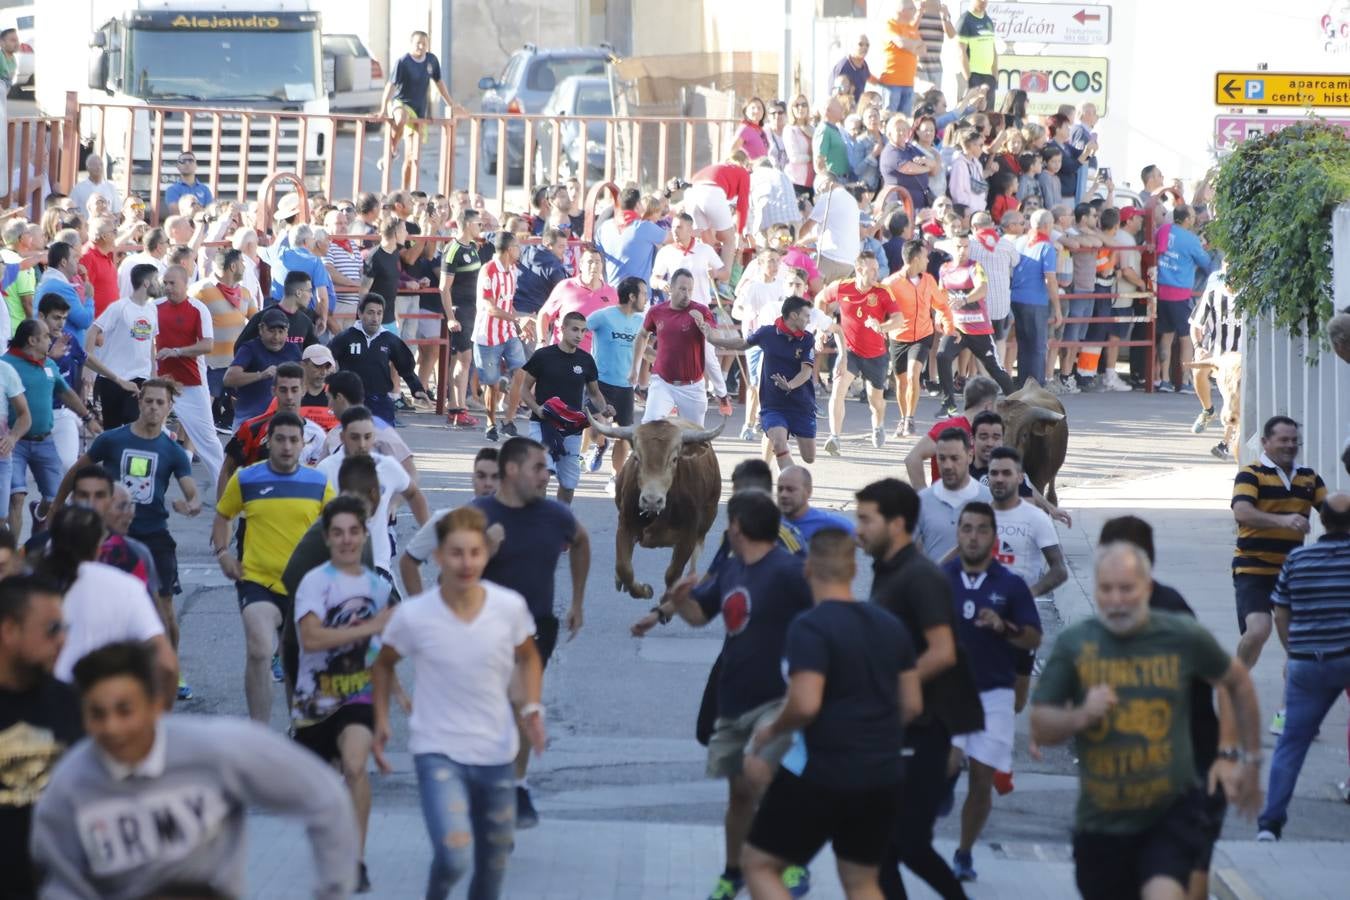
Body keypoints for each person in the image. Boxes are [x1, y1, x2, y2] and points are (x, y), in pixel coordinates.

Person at [31, 641, 358, 899]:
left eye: (125, 710)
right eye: (97, 714)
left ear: (156, 704)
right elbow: (62, 884)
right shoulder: (70, 787)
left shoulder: (216, 749)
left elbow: (325, 797)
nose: (112, 728)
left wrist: (332, 889)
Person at [1030, 543, 1264, 900]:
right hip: (1103, 819)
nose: (1117, 600)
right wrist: (1081, 715)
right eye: (1107, 589)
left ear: (1146, 589)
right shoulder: (1076, 643)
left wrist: (1244, 759)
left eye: (1127, 589)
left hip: (1171, 811)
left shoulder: (1181, 636)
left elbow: (1236, 680)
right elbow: (1040, 726)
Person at [372, 506, 544, 900]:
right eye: (456, 553)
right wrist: (382, 720)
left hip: (496, 753)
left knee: (494, 863)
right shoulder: (414, 615)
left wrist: (532, 708)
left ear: (485, 554)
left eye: (474, 553)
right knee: (453, 856)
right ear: (438, 556)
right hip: (438, 751)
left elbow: (529, 655)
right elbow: (382, 665)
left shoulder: (508, 608)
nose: (466, 563)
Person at [742, 528, 921, 900]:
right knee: (861, 882)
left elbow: (806, 703)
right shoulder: (891, 627)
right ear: (854, 570)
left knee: (759, 863)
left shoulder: (810, 627)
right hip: (884, 774)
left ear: (808, 568)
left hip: (825, 772)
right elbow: (913, 705)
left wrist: (772, 728)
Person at [661, 491, 815, 900]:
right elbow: (701, 617)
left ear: (737, 527)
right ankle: (734, 873)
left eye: (729, 523)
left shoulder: (788, 571)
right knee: (740, 793)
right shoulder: (731, 570)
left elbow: (823, 616)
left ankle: (792, 861)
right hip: (734, 698)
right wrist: (680, 603)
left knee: (762, 777)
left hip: (777, 700)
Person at [857, 478, 982, 900]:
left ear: (895, 525)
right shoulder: (889, 571)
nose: (857, 529)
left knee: (906, 842)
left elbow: (943, 652)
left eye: (865, 520)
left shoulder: (919, 576)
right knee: (881, 848)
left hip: (927, 730)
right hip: (900, 729)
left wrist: (888, 690)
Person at [470, 437, 590, 828]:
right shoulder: (477, 515)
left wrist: (577, 600)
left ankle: (516, 786)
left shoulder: (555, 516)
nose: (546, 475)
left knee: (521, 709)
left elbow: (582, 540)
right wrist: (484, 550)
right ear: (511, 471)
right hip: (483, 632)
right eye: (538, 467)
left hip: (537, 629)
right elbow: (447, 581)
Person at [54, 378, 200, 659]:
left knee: (164, 608)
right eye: (149, 401)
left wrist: (192, 504)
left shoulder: (173, 451)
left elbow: (190, 489)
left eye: (160, 403)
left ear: (169, 407)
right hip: (111, 535)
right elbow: (76, 472)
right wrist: (57, 508)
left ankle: (169, 669)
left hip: (154, 534)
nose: (154, 408)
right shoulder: (112, 439)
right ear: (139, 402)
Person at [293, 495, 393, 893]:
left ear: (365, 535)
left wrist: (392, 701)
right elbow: (312, 638)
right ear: (328, 537)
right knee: (319, 792)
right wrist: (369, 628)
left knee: (354, 767)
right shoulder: (315, 583)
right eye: (339, 532)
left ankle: (356, 860)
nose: (347, 540)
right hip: (314, 700)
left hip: (359, 696)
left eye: (354, 531)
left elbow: (387, 651)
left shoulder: (379, 587)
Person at [212, 412, 335, 723]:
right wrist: (224, 552)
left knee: (297, 661)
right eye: (280, 439)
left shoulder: (319, 482)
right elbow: (224, 515)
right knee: (259, 650)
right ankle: (259, 734)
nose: (287, 446)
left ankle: (302, 730)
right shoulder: (246, 478)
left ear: (303, 443)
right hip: (257, 580)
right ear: (269, 441)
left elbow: (339, 527)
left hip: (304, 587)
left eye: (294, 440)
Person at [943, 502, 1041, 882]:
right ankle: (942, 785)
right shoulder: (941, 578)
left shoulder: (1011, 585)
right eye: (966, 528)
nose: (972, 536)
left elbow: (1034, 637)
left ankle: (964, 853)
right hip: (949, 692)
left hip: (994, 693)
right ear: (958, 533)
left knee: (982, 780)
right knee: (947, 764)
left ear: (993, 537)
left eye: (981, 529)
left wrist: (1005, 628)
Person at [1256, 493, 1350, 840]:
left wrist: (1292, 649)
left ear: (1322, 520)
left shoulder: (1298, 558)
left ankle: (1269, 823)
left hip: (1307, 662)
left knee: (1292, 743)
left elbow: (1281, 612)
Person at [1232, 415, 1326, 734]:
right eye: (1282, 440)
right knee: (1257, 631)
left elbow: (1334, 513)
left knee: (1298, 645)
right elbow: (1242, 511)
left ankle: (1287, 712)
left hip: (1293, 573)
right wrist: (1284, 521)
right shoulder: (1251, 473)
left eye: (1293, 440)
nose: (1289, 445)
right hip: (1253, 567)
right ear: (1266, 443)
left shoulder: (1309, 477)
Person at [36, 505, 178, 700]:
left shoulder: (31, 588)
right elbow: (166, 663)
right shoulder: (127, 586)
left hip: (49, 702)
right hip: (113, 702)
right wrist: (159, 711)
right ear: (98, 547)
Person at [0, 575, 83, 898]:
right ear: (9, 631)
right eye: (51, 630)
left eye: (65, 628)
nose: (63, 640)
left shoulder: (72, 704)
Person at [4, 318, 101, 540]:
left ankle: (39, 514)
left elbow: (65, 392)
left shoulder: (48, 365)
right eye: (46, 335)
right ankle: (15, 555)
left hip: (44, 441)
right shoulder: (6, 365)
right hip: (14, 442)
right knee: (16, 497)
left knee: (54, 499)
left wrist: (88, 417)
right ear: (32, 340)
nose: (51, 338)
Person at [704, 296, 818, 469]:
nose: (809, 320)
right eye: (806, 316)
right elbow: (742, 343)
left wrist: (790, 385)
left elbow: (806, 372)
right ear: (794, 316)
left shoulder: (807, 339)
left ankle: (786, 453)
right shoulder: (767, 333)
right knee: (779, 442)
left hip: (801, 405)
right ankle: (789, 479)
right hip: (773, 405)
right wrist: (714, 340)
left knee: (809, 457)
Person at [316, 405, 431, 576]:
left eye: (367, 437)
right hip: (335, 564)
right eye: (354, 437)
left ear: (374, 437)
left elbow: (413, 493)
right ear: (342, 437)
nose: (362, 444)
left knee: (394, 602)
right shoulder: (325, 470)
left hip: (378, 565)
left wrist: (427, 535)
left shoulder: (387, 466)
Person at [818, 253, 904, 454]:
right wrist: (822, 325)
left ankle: (878, 426)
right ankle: (835, 438)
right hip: (849, 352)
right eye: (872, 269)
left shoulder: (883, 291)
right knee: (838, 391)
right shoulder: (841, 287)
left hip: (876, 355)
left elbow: (898, 320)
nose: (877, 273)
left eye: (877, 268)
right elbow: (820, 299)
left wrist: (881, 326)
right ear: (859, 269)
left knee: (876, 402)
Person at [153, 265, 224, 491]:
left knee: (209, 441)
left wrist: (176, 351)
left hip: (191, 384)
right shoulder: (153, 308)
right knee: (148, 430)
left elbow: (208, 344)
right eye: (165, 283)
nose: (168, 287)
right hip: (160, 383)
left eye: (172, 283)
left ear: (185, 284)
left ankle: (225, 490)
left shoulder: (198, 308)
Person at [397, 447, 500, 594]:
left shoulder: (518, 522)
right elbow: (408, 562)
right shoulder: (447, 519)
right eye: (481, 476)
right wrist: (420, 609)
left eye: (495, 477)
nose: (488, 483)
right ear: (472, 478)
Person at [936, 233, 1014, 415]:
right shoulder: (945, 269)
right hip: (956, 328)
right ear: (951, 249)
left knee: (995, 368)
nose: (962, 251)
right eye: (958, 247)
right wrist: (939, 315)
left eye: (965, 246)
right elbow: (941, 296)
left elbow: (982, 289)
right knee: (942, 356)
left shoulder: (975, 267)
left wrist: (964, 299)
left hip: (979, 329)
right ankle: (948, 403)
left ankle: (1015, 401)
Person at [379, 30, 467, 189]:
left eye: (424, 44)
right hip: (401, 103)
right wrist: (383, 108)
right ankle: (392, 148)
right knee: (401, 118)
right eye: (418, 43)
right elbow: (391, 86)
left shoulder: (432, 61)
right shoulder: (403, 62)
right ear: (411, 44)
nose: (421, 46)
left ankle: (406, 190)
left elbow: (439, 83)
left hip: (419, 109)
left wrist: (451, 104)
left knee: (413, 156)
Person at [585, 276, 649, 492]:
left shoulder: (641, 321)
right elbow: (580, 328)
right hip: (600, 382)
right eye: (643, 294)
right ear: (632, 297)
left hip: (625, 387)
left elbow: (643, 345)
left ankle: (615, 478)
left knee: (623, 435)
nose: (646, 298)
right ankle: (600, 445)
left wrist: (641, 368)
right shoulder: (603, 316)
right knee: (597, 428)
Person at [329, 293, 430, 425]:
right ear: (360, 313)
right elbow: (326, 360)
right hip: (350, 401)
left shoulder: (390, 340)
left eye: (379, 313)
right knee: (354, 441)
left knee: (385, 442)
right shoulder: (345, 338)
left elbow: (406, 367)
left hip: (380, 401)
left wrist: (417, 389)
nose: (375, 318)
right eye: (370, 313)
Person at [882, 240, 950, 435]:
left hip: (922, 334)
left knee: (913, 375)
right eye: (925, 256)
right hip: (898, 337)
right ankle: (904, 418)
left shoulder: (929, 280)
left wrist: (946, 322)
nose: (928, 260)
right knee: (901, 382)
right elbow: (881, 310)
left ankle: (910, 418)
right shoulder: (891, 283)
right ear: (915, 259)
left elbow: (940, 304)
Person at [642, 269, 720, 425]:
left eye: (690, 290)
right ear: (671, 288)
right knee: (650, 426)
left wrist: (704, 327)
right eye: (682, 289)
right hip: (662, 382)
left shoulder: (701, 310)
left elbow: (715, 338)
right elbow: (642, 336)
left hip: (692, 385)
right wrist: (640, 364)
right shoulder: (656, 311)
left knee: (694, 441)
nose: (687, 294)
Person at [88, 263, 161, 429]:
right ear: (146, 283)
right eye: (156, 279)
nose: (159, 283)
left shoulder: (152, 309)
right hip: (113, 377)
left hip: (139, 378)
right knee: (111, 429)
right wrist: (88, 365)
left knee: (134, 422)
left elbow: (150, 342)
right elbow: (93, 331)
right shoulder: (119, 307)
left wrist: (153, 373)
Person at [473, 231, 531, 442]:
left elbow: (507, 303)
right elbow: (490, 308)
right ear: (509, 249)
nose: (520, 249)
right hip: (487, 335)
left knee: (521, 371)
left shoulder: (513, 271)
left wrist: (520, 321)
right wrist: (518, 320)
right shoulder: (488, 271)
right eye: (517, 245)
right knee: (492, 383)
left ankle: (508, 420)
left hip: (507, 332)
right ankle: (490, 422)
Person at [1155, 204, 1214, 392]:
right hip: (1180, 293)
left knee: (1166, 336)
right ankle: (1186, 381)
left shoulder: (1164, 230)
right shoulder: (1191, 240)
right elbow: (1206, 264)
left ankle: (1164, 380)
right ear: (1187, 219)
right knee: (1186, 338)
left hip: (1161, 290)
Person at [440, 208, 490, 426]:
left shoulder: (473, 247)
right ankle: (458, 408)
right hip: (460, 311)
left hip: (473, 311)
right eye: (478, 223)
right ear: (468, 224)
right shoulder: (453, 250)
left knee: (460, 359)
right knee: (464, 358)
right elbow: (444, 288)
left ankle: (455, 406)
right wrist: (451, 316)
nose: (481, 227)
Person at [1189, 265, 1243, 460]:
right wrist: (1198, 347)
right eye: (1228, 273)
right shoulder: (1213, 295)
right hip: (1218, 356)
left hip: (1240, 359)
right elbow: (1196, 325)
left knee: (1235, 394)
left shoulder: (1250, 296)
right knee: (1198, 370)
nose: (1232, 278)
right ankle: (1208, 410)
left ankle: (1226, 443)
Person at [916, 428, 993, 562]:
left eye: (954, 458)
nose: (947, 466)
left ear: (969, 456)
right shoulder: (921, 501)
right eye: (942, 458)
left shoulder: (989, 500)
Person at [224, 306, 303, 427]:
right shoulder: (249, 348)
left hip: (283, 420)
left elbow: (304, 380)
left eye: (281, 332)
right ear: (261, 329)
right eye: (271, 331)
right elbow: (228, 379)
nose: (276, 337)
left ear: (287, 332)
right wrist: (261, 375)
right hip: (249, 420)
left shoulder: (293, 349)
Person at [1009, 209, 1062, 388]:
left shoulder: (1020, 242)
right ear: (1048, 225)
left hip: (1016, 298)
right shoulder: (1047, 247)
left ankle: (1024, 384)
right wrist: (1057, 307)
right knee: (1038, 347)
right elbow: (1050, 279)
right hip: (1036, 301)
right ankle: (1036, 386)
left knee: (1023, 346)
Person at [684, 156, 752, 277]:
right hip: (711, 192)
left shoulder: (718, 167)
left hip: (691, 193)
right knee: (729, 239)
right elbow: (743, 205)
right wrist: (739, 233)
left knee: (707, 242)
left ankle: (705, 277)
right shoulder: (743, 173)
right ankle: (724, 281)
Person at [596, 187, 669, 288]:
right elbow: (675, 237)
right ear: (638, 205)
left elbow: (598, 255)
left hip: (613, 293)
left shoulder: (604, 227)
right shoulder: (644, 227)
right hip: (639, 295)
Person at [800, 174, 860, 283]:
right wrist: (803, 241)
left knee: (805, 283)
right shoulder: (852, 200)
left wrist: (794, 242)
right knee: (831, 297)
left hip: (830, 257)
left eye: (819, 189)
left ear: (826, 183)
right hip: (850, 263)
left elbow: (807, 227)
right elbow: (826, 233)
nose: (819, 193)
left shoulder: (829, 197)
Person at [776, 465, 853, 542]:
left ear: (808, 491)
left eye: (790, 489)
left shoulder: (835, 526)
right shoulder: (768, 524)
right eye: (780, 489)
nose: (783, 495)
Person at [956, 0, 998, 101]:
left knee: (988, 115)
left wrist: (995, 77)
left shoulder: (988, 20)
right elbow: (961, 52)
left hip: (989, 77)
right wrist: (969, 79)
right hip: (974, 75)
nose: (984, 1)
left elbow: (993, 50)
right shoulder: (965, 20)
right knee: (973, 115)